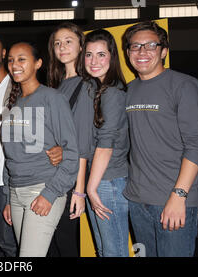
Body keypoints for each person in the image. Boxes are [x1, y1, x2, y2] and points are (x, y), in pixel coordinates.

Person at [122, 21, 198, 257]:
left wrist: (179, 195)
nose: (142, 52)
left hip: (173, 199)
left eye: (150, 45)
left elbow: (197, 145)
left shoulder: (185, 86)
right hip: (137, 200)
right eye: (135, 46)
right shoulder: (129, 90)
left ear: (164, 51)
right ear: (128, 52)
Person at [0, 33, 62, 257]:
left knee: (11, 243)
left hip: (11, 178)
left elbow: (48, 124)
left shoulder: (20, 86)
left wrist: (60, 147)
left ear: (2, 53)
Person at [1, 42, 79, 257]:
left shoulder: (52, 98)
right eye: (11, 60)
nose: (14, 64)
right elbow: (10, 156)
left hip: (42, 189)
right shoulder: (14, 105)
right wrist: (9, 197)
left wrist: (51, 193)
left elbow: (72, 151)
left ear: (38, 63)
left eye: (22, 59)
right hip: (16, 193)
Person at [78, 29, 130, 257]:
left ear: (112, 56)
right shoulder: (97, 89)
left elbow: (106, 143)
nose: (94, 61)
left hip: (108, 181)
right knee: (103, 250)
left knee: (113, 252)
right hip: (99, 179)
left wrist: (90, 186)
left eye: (101, 54)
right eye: (89, 55)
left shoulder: (113, 92)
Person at [46, 22, 86, 257]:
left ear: (81, 46)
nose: (62, 47)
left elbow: (82, 142)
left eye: (68, 41)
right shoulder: (57, 85)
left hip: (72, 177)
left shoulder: (86, 84)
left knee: (66, 241)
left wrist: (78, 192)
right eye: (57, 43)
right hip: (54, 173)